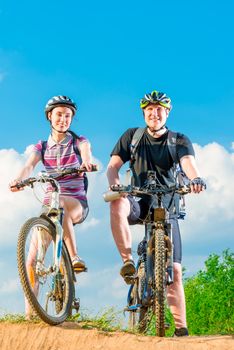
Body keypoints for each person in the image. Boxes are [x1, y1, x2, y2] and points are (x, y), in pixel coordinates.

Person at [106, 89, 206, 337]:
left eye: (159, 109)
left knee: (175, 271)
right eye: (150, 109)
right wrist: (115, 186)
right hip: (138, 201)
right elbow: (113, 166)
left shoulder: (178, 140)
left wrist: (195, 179)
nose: (155, 113)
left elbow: (188, 165)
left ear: (167, 112)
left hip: (168, 205)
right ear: (144, 113)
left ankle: (181, 329)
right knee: (117, 204)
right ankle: (128, 262)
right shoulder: (132, 137)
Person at [10, 95, 93, 272]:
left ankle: (74, 257)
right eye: (59, 114)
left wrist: (86, 163)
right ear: (50, 116)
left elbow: (86, 152)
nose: (63, 119)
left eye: (67, 116)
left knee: (60, 202)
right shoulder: (42, 146)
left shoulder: (78, 141)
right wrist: (19, 180)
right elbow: (29, 165)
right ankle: (32, 300)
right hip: (50, 205)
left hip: (76, 203)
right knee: (31, 263)